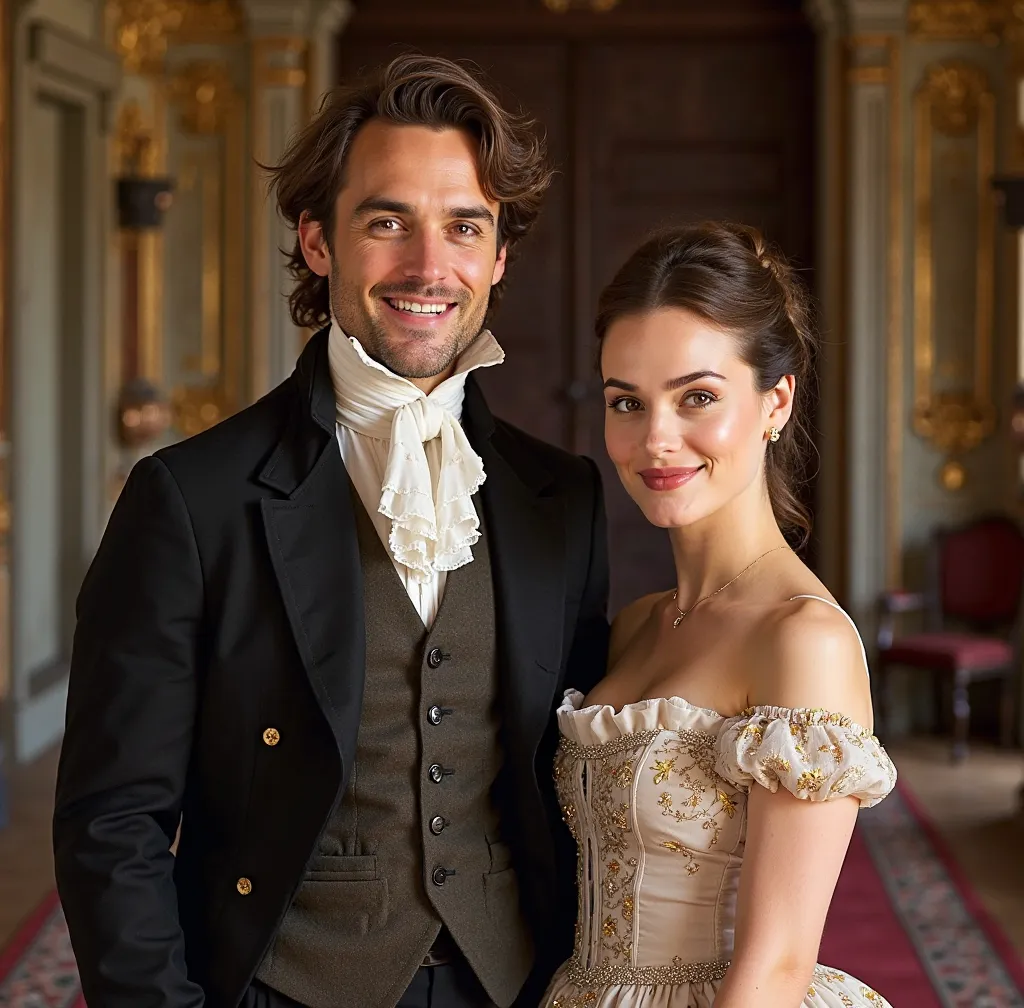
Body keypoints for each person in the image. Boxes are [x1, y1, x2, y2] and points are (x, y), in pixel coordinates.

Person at [53, 54, 609, 1008]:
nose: (429, 267)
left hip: (510, 983)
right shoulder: (190, 500)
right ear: (318, 243)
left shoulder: (560, 496)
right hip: (283, 985)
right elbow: (115, 818)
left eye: (464, 227)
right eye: (386, 221)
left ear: (498, 257)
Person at [543, 222, 897, 1008]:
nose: (655, 440)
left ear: (777, 400)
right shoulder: (636, 625)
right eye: (625, 403)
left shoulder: (803, 639)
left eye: (697, 397)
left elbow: (775, 969)